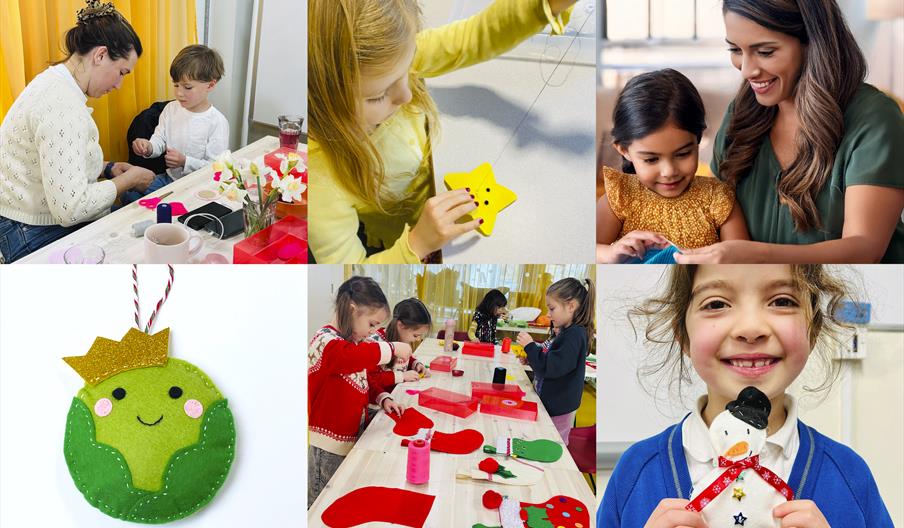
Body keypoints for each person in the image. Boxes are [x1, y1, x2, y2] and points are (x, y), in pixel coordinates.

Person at [599, 264, 894, 527]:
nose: (750, 329)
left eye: (782, 301)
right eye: (716, 303)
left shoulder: (850, 475)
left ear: (813, 330)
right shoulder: (635, 470)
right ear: (683, 334)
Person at [308, 0, 576, 263]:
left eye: (408, 68)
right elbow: (349, 263)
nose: (407, 94)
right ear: (322, 104)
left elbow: (474, 35)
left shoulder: (391, 58)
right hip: (403, 238)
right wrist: (418, 242)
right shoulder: (322, 186)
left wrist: (544, 5)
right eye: (378, 96)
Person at [677, 0, 904, 263]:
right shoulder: (740, 115)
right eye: (735, 49)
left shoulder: (875, 117)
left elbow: (864, 249)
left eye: (765, 51)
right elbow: (714, 214)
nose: (747, 69)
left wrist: (755, 257)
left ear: (811, 42)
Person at [0, 0, 154, 262]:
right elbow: (70, 208)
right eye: (121, 72)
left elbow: (56, 161)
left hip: (19, 221)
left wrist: (108, 168)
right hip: (30, 231)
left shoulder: (53, 83)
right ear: (101, 55)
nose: (118, 85)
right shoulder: (61, 105)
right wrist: (128, 181)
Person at [597, 69, 749, 263]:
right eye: (651, 159)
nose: (669, 171)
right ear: (624, 150)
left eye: (683, 154)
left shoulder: (718, 198)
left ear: (698, 140)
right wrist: (611, 253)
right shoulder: (619, 197)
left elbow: (741, 258)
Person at [308, 276, 411, 507]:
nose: (372, 332)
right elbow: (351, 358)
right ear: (353, 310)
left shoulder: (349, 343)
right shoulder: (325, 342)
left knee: (338, 498)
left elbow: (364, 378)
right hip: (328, 447)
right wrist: (392, 348)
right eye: (372, 324)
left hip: (350, 436)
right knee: (319, 503)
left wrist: (383, 397)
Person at [125, 44, 229, 203]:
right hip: (168, 180)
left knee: (157, 207)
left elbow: (216, 169)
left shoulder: (217, 122)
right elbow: (159, 140)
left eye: (187, 87)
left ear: (210, 85)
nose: (179, 93)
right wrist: (148, 147)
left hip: (199, 187)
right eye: (176, 85)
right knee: (128, 195)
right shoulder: (171, 109)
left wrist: (185, 162)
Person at [516, 278, 593, 445]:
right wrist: (531, 359)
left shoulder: (574, 335)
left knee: (553, 445)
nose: (548, 315)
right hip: (552, 403)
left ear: (571, 306)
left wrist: (530, 346)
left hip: (558, 409)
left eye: (552, 308)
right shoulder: (567, 332)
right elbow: (551, 358)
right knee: (543, 440)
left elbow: (551, 367)